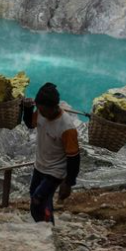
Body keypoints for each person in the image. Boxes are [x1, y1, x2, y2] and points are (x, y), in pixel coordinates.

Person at [22, 83, 80, 224]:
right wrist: (28, 108)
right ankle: (48, 227)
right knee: (38, 198)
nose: (42, 113)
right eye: (39, 109)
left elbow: (74, 157)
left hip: (55, 171)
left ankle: (45, 228)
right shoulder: (42, 112)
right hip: (40, 166)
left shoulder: (66, 127)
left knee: (37, 201)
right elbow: (30, 123)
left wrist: (68, 183)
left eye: (44, 110)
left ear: (55, 107)